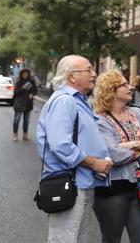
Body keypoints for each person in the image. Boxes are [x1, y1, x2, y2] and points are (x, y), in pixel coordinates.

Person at [36, 55, 113, 243]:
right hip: (69, 183)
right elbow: (60, 144)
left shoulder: (78, 100)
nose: (94, 74)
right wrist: (95, 163)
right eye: (89, 70)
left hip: (81, 182)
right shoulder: (65, 101)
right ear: (72, 76)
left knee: (76, 238)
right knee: (65, 239)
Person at [92, 71, 140, 243]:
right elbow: (114, 154)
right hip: (111, 188)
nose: (130, 87)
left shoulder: (138, 113)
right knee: (112, 239)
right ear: (111, 90)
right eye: (124, 84)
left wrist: (129, 144)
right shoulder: (99, 120)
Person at [13, 68, 39, 141]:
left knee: (26, 121)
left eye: (27, 74)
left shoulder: (31, 82)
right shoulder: (18, 82)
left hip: (28, 104)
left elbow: (35, 90)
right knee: (16, 120)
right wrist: (23, 88)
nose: (25, 75)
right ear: (21, 74)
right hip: (19, 104)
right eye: (24, 74)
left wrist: (32, 94)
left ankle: (25, 135)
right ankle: (15, 135)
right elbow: (16, 93)